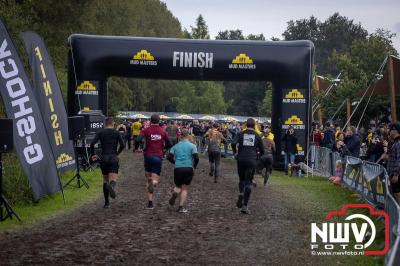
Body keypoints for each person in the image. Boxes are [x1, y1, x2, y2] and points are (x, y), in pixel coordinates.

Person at [137, 114, 172, 210]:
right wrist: (163, 149)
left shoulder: (146, 130)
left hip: (148, 156)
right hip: (158, 156)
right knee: (155, 179)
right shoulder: (162, 131)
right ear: (159, 121)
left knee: (148, 179)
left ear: (150, 120)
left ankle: (150, 202)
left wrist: (140, 147)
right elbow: (170, 144)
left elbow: (137, 139)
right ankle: (154, 183)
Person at [90, 117, 125, 208]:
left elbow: (92, 143)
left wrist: (93, 154)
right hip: (113, 157)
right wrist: (117, 153)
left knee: (105, 180)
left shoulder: (100, 132)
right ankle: (112, 187)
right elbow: (123, 145)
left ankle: (106, 203)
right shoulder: (116, 132)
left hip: (104, 158)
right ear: (113, 123)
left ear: (105, 124)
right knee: (113, 180)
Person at [232, 118, 264, 214]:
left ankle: (241, 192)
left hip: (241, 159)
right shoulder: (257, 136)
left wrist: (235, 153)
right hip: (251, 160)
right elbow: (262, 150)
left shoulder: (241, 134)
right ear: (254, 126)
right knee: (249, 182)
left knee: (241, 179)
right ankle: (245, 206)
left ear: (246, 125)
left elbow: (233, 143)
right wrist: (257, 156)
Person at [167, 130, 199, 213]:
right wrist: (194, 167)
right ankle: (180, 207)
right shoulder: (192, 146)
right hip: (188, 167)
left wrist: (175, 162)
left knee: (178, 186)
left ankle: (175, 193)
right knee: (184, 188)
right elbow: (196, 158)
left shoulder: (175, 146)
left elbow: (169, 157)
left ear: (180, 136)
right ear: (188, 136)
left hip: (178, 168)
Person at [387, 123, 400, 204]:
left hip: (397, 175)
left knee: (398, 194)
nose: (389, 132)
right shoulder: (395, 143)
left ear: (395, 130)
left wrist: (396, 174)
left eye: (390, 130)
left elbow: (399, 159)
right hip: (394, 173)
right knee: (396, 194)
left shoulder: (398, 143)